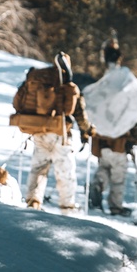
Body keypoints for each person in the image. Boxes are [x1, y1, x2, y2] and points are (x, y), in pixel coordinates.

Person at [23, 52, 96, 214]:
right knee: (65, 172)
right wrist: (87, 130)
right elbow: (79, 114)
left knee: (39, 168)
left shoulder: (40, 82)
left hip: (40, 130)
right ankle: (67, 206)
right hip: (60, 133)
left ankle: (33, 201)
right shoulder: (69, 86)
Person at [84, 39, 137, 216]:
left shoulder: (103, 81)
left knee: (104, 166)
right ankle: (115, 205)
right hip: (119, 140)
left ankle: (97, 186)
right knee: (118, 174)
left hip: (100, 138)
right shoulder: (123, 81)